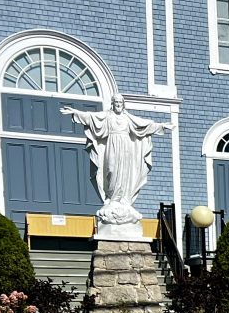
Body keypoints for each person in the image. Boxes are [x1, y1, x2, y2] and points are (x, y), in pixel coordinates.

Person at [60, 95, 171, 225]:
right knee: (111, 169)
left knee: (124, 173)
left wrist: (161, 126)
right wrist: (76, 113)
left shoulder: (127, 118)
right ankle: (112, 197)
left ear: (123, 104)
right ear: (113, 104)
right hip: (112, 145)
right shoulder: (108, 116)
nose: (118, 104)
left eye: (120, 102)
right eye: (116, 102)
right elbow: (92, 117)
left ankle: (122, 199)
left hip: (126, 148)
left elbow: (144, 125)